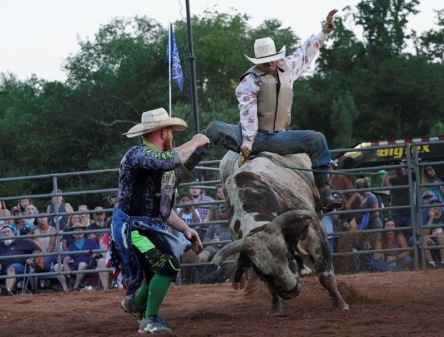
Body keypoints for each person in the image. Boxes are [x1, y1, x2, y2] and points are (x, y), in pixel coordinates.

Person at [203, 9, 342, 213]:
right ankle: (183, 168)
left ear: (277, 57)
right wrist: (247, 146)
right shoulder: (249, 82)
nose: (269, 64)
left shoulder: (287, 67)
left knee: (317, 139)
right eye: (265, 61)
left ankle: (324, 191)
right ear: (257, 62)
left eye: (272, 59)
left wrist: (326, 31)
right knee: (214, 128)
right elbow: (248, 114)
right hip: (252, 135)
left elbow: (306, 52)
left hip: (277, 136)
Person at [111, 107, 207, 333]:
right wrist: (194, 142)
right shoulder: (137, 154)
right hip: (131, 228)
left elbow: (164, 209)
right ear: (164, 133)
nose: (172, 136)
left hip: (147, 227)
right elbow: (166, 161)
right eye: (171, 131)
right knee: (167, 264)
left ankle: (136, 305)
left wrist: (185, 229)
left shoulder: (161, 165)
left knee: (158, 268)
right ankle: (149, 318)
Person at [54, 222, 100, 292]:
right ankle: (65, 289)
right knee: (57, 266)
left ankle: (76, 286)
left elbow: (99, 251)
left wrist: (96, 253)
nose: (78, 232)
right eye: (75, 230)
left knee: (82, 264)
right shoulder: (71, 246)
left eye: (80, 230)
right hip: (75, 266)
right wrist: (66, 265)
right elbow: (67, 258)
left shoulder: (91, 241)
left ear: (83, 232)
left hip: (88, 265)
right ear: (73, 234)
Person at [0, 224, 41, 296]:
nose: (6, 234)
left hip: (20, 267)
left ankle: (7, 291)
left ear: (13, 232)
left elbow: (37, 250)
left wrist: (31, 258)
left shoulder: (22, 242)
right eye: (4, 232)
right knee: (10, 268)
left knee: (11, 268)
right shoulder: (1, 245)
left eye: (8, 231)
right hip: (3, 269)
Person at [420, 197, 444, 268]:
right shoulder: (428, 217)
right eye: (433, 204)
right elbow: (425, 233)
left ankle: (443, 263)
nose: (435, 206)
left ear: (440, 205)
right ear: (430, 208)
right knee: (423, 239)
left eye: (437, 204)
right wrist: (431, 218)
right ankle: (431, 263)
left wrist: (431, 236)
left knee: (441, 236)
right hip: (432, 240)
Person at [384, 167, 414, 242]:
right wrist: (387, 171)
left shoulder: (409, 176)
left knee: (410, 234)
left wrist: (409, 165)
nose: (398, 170)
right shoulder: (392, 179)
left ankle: (410, 252)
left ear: (404, 168)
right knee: (397, 235)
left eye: (400, 168)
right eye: (396, 168)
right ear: (393, 169)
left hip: (409, 212)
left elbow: (418, 174)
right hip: (396, 213)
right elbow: (386, 186)